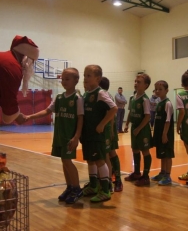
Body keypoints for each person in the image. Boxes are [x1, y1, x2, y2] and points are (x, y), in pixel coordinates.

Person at [26, 68, 84, 203]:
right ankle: (69, 187)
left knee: (68, 161)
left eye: (67, 79)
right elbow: (46, 111)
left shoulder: (77, 98)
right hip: (59, 135)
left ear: (76, 80)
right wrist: (29, 117)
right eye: (62, 79)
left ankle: (77, 188)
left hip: (70, 136)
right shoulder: (59, 98)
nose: (64, 82)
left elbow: (81, 119)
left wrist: (76, 137)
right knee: (64, 161)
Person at [81, 65, 117, 202]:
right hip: (87, 134)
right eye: (84, 75)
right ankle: (94, 186)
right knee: (90, 160)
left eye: (88, 76)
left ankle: (106, 191)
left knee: (100, 161)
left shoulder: (100, 93)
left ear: (98, 78)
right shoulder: (86, 94)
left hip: (97, 135)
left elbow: (114, 108)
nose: (85, 78)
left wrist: (102, 124)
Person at [0, 35, 39, 124]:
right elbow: (8, 102)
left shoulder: (4, 58)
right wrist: (17, 116)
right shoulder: (12, 67)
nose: (31, 65)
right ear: (26, 57)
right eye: (32, 61)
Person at [124, 73, 152, 186]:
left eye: (139, 82)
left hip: (142, 128)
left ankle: (146, 176)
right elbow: (130, 112)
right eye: (135, 81)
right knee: (135, 149)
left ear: (146, 85)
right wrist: (126, 124)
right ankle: (136, 173)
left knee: (145, 151)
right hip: (134, 127)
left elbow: (147, 116)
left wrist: (139, 128)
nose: (136, 83)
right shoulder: (133, 97)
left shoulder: (145, 100)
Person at [99, 77, 123, 192]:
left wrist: (112, 130)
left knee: (111, 153)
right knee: (108, 154)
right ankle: (108, 178)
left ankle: (116, 180)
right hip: (107, 128)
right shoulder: (103, 94)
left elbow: (112, 112)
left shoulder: (104, 95)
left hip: (109, 129)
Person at [151, 80, 174, 185]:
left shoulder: (167, 103)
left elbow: (168, 120)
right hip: (159, 133)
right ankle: (162, 172)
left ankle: (168, 176)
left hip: (166, 134)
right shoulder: (159, 102)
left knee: (167, 155)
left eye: (160, 89)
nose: (157, 91)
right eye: (156, 89)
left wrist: (165, 134)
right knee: (162, 154)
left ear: (166, 90)